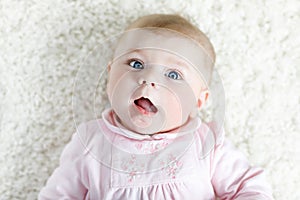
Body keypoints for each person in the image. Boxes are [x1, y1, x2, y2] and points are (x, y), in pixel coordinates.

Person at [39, 14, 273, 199]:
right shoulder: (90, 141)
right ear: (110, 74)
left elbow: (249, 186)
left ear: (199, 100)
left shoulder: (206, 144)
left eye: (173, 74)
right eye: (136, 63)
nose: (150, 79)